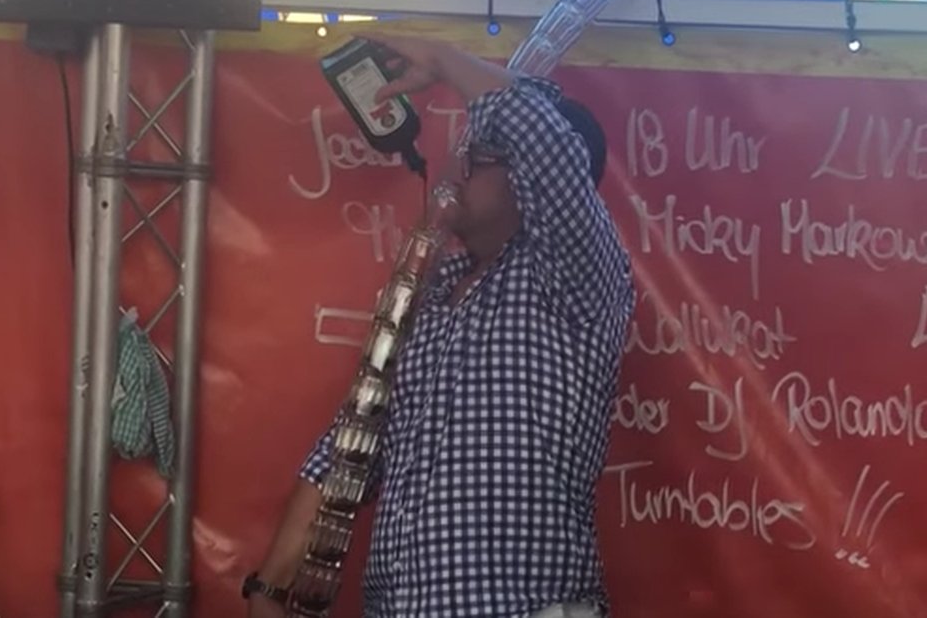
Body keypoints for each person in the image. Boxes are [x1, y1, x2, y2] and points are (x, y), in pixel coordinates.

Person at [245, 35, 635, 618]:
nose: (458, 169)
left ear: (532, 182)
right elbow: (350, 447)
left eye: (481, 157)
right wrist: (270, 589)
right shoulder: (426, 296)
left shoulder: (572, 278)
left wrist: (445, 59)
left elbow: (549, 144)